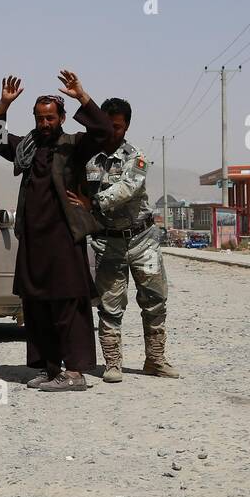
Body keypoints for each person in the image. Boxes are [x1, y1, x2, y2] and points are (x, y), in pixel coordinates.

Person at [0, 70, 112, 391]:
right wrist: (3, 105)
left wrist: (82, 94)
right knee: (37, 304)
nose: (44, 123)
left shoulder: (74, 145)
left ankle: (76, 372)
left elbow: (104, 131)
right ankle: (51, 368)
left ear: (62, 117)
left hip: (64, 239)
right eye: (40, 118)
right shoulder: (27, 147)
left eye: (50, 118)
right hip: (34, 239)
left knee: (69, 303)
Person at [84, 97, 179, 381]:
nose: (113, 132)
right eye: (108, 125)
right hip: (108, 241)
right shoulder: (88, 156)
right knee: (110, 304)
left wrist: (92, 202)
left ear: (126, 127)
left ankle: (156, 360)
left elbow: (127, 188)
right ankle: (113, 364)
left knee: (155, 301)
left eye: (118, 126)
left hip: (142, 240)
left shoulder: (135, 156)